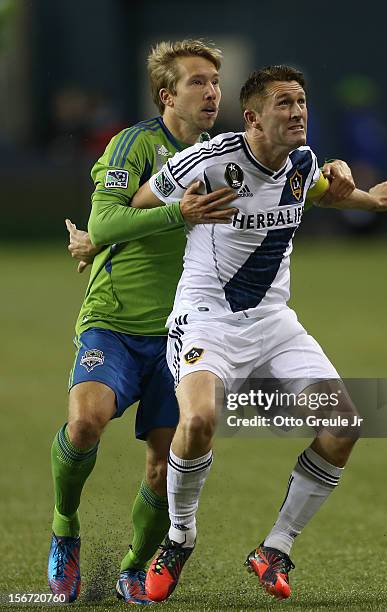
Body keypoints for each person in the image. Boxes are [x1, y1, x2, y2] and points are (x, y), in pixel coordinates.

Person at [130, 64, 387, 602]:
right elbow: (142, 203)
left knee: (344, 426)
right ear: (254, 118)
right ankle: (179, 537)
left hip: (275, 323)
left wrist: (369, 200)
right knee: (200, 418)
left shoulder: (302, 161)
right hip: (207, 318)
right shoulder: (208, 161)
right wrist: (117, 235)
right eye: (285, 103)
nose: (298, 111)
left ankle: (275, 548)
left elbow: (319, 192)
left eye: (302, 101)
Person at [47, 39, 240, 606]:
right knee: (86, 423)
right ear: (167, 95)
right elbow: (104, 223)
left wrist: (341, 184)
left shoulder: (222, 154)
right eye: (197, 82)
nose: (211, 92)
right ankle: (65, 528)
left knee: (164, 466)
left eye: (214, 82)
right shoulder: (134, 145)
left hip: (184, 334)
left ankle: (133, 567)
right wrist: (172, 213)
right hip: (113, 317)